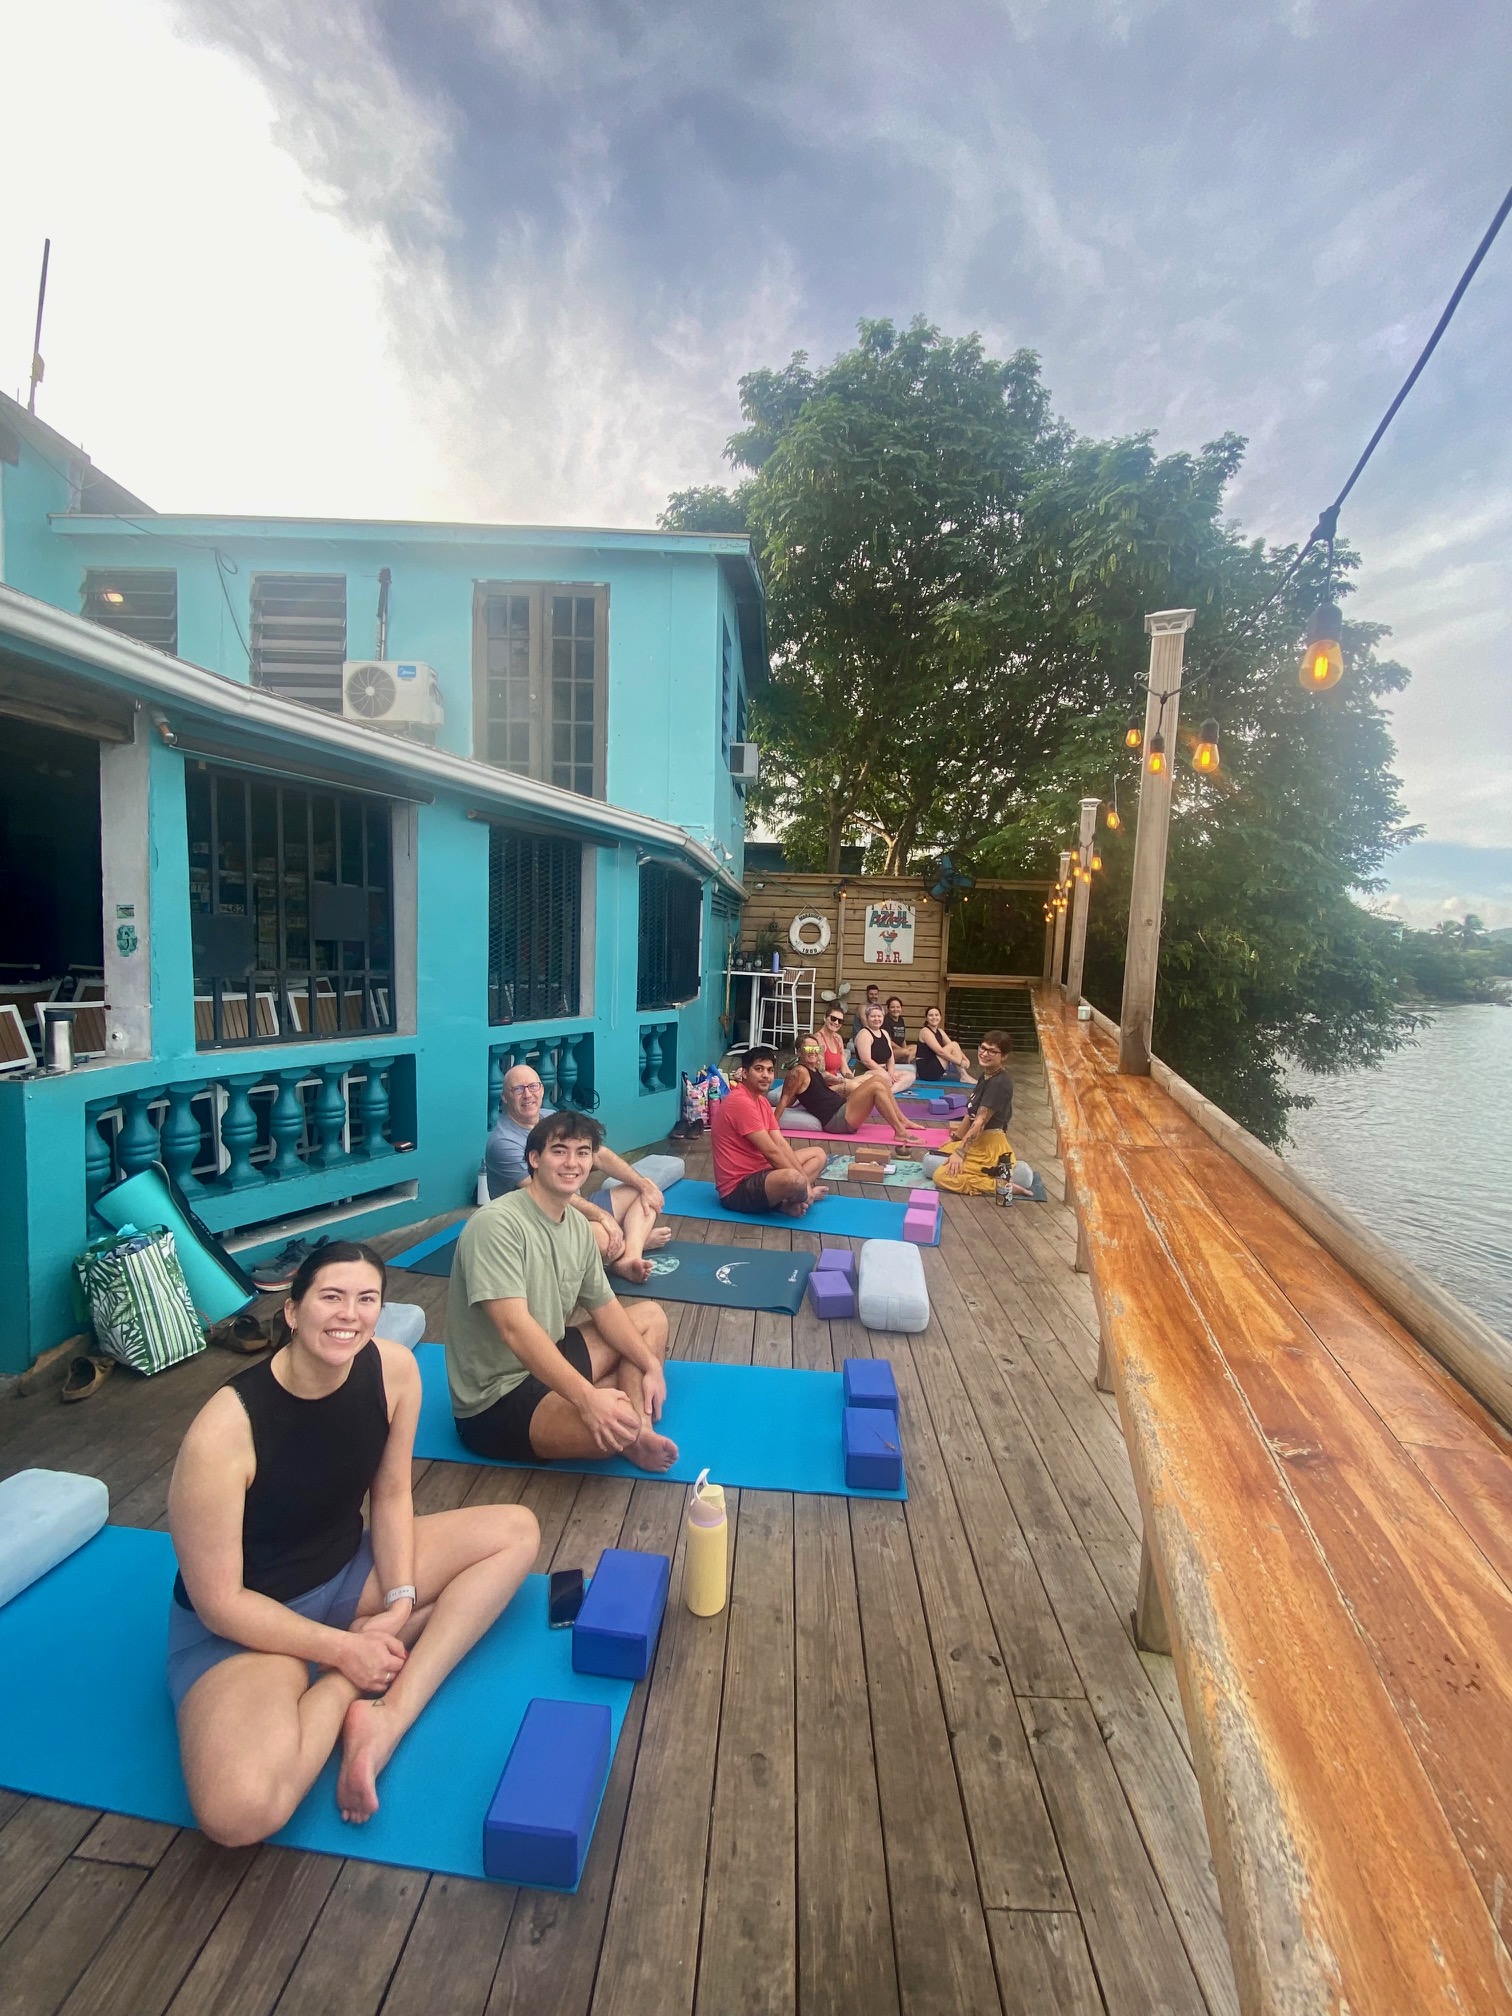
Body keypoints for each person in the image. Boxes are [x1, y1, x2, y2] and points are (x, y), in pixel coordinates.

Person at [166, 1243, 539, 1847]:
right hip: (248, 1625)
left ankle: (388, 1718)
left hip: (344, 1573)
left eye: (367, 1299)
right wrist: (343, 1657)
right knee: (240, 1815)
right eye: (331, 1297)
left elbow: (391, 1497)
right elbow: (220, 1603)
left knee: (515, 1531)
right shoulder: (224, 1430)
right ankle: (352, 1681)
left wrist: (396, 1598)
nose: (350, 1315)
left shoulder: (393, 1371)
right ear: (291, 1311)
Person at [448, 1109, 677, 1470]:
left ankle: (640, 1434)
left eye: (583, 1152)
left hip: (551, 1352)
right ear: (534, 1160)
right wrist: (587, 1398)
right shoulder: (496, 1225)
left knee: (651, 1318)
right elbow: (514, 1329)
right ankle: (622, 1420)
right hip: (498, 1395)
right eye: (559, 1150)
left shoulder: (576, 1226)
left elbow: (606, 1309)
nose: (572, 1162)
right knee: (611, 1427)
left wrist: (651, 1365)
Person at [484, 1063, 670, 1284]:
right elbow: (546, 1194)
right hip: (539, 1226)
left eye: (533, 1086)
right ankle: (637, 1242)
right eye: (518, 1089)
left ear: (543, 1089)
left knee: (644, 1191)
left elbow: (600, 1154)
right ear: (504, 1097)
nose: (528, 1094)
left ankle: (628, 1256)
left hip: (572, 1210)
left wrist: (644, 1186)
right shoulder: (503, 1142)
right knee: (602, 1238)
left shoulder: (549, 1118)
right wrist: (603, 1217)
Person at [710, 1045, 829, 1215]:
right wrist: (803, 1184)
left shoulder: (762, 1101)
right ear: (744, 1073)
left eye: (770, 1070)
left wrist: (806, 1185)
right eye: (759, 1069)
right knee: (794, 1179)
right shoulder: (740, 1101)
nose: (766, 1075)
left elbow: (780, 1143)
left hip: (762, 1172)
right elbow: (771, 1152)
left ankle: (793, 1198)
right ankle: (795, 1199)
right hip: (738, 1189)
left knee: (818, 1154)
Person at [773, 1033, 926, 1146]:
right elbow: (785, 1099)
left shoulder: (812, 1069)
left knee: (879, 1079)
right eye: (808, 1048)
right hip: (836, 1121)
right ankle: (900, 1132)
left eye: (815, 1047)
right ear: (799, 1052)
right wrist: (771, 1127)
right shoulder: (797, 1072)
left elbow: (799, 1097)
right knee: (875, 1085)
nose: (813, 1051)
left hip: (842, 1109)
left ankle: (903, 1121)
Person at [933, 1030, 1016, 1194]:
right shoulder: (986, 1076)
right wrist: (955, 1140)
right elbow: (970, 1115)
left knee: (940, 1176)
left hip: (989, 1147)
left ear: (1004, 1056)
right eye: (983, 1048)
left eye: (992, 1051)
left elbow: (980, 1121)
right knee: (936, 1156)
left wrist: (960, 1152)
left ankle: (1000, 1186)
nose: (985, 1054)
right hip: (977, 1140)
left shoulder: (999, 1083)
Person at [854, 1003, 916, 1092]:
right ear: (867, 1018)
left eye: (879, 1016)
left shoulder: (884, 1033)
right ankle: (885, 1089)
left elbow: (890, 1057)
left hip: (884, 1071)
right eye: (873, 1016)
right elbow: (866, 1061)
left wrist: (891, 1073)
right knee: (885, 1078)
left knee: (910, 1075)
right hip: (866, 1071)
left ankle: (889, 1092)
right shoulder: (864, 1034)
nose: (876, 1019)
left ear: (883, 1018)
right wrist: (885, 1074)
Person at [913, 1005, 976, 1084]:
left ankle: (964, 1076)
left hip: (934, 1065)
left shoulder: (940, 1031)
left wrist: (966, 1059)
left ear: (940, 1017)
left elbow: (954, 1047)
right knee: (953, 1045)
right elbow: (940, 1052)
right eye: (931, 1015)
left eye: (936, 1015)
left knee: (954, 1044)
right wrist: (960, 1062)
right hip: (926, 1071)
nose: (934, 1017)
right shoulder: (925, 1031)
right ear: (926, 1018)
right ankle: (964, 1076)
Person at [883, 996, 915, 1062]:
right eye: (892, 1007)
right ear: (888, 1009)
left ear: (901, 1008)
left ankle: (907, 1058)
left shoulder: (901, 1020)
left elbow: (903, 1038)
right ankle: (907, 1060)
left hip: (900, 1049)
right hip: (890, 1050)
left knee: (916, 1047)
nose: (895, 1009)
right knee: (905, 1052)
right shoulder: (886, 1020)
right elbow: (889, 1041)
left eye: (898, 1007)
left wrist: (905, 1048)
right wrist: (903, 1050)